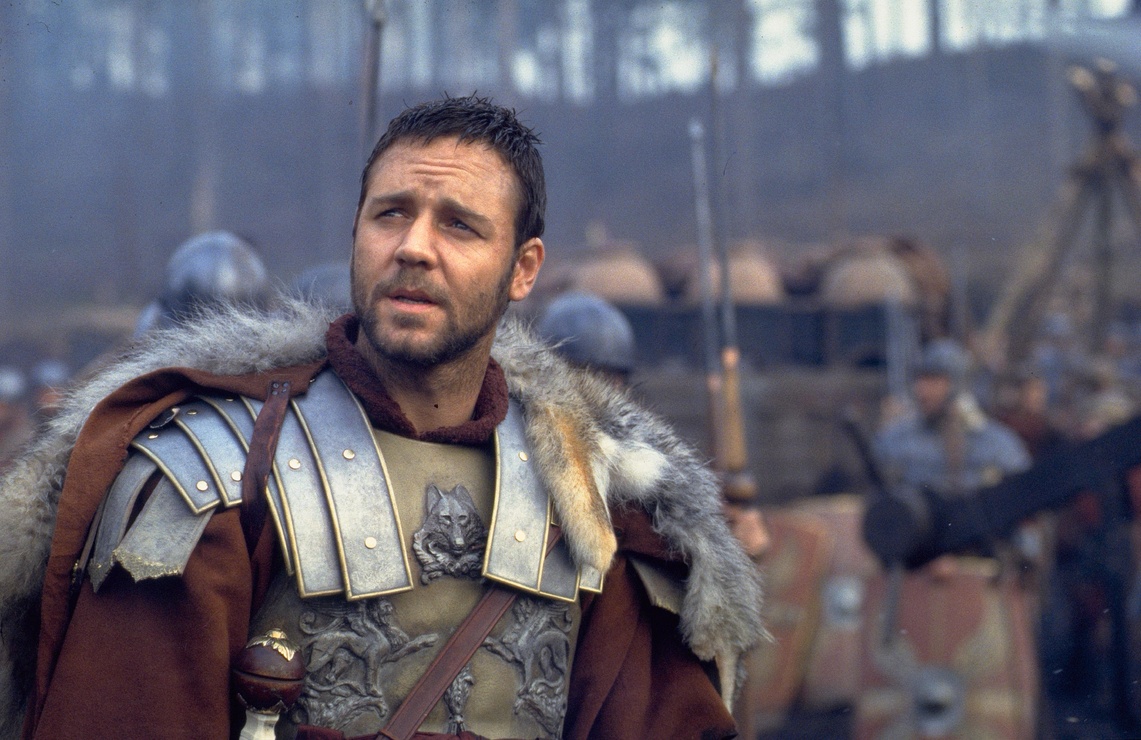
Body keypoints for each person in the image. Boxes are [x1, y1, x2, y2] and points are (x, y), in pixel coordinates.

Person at [0, 96, 762, 739]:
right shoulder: (213, 471)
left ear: (523, 269)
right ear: (356, 233)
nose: (413, 248)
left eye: (459, 225)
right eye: (390, 214)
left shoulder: (592, 502)